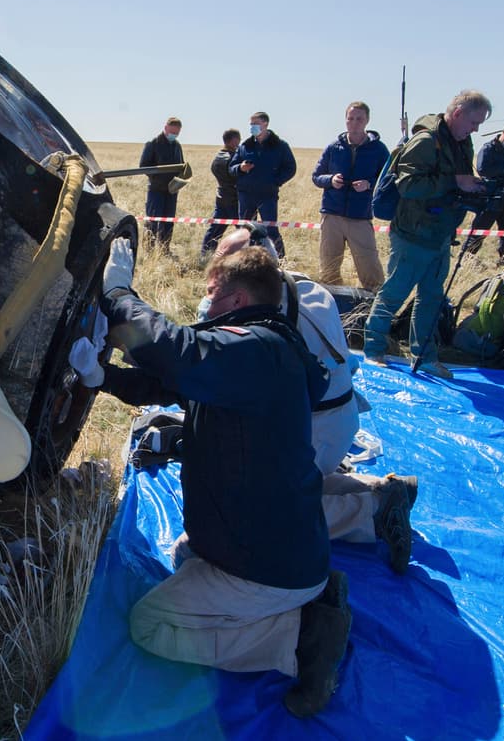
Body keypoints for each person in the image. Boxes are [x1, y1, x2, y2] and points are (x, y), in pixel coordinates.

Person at [73, 239, 350, 717]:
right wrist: (104, 378)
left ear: (237, 300)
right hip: (277, 548)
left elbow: (174, 353)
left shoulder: (256, 352)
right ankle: (302, 597)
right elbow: (167, 382)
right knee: (183, 556)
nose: (204, 302)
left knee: (150, 625)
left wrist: (117, 295)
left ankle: (301, 638)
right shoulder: (257, 356)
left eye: (211, 292)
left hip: (271, 567)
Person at [215, 227, 416, 575]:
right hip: (338, 419)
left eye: (224, 262)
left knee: (255, 511)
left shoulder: (262, 310)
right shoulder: (305, 286)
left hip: (316, 428)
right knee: (290, 476)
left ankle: (372, 515)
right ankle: (383, 491)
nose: (216, 270)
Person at [362, 90, 493, 379]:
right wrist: (454, 181)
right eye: (474, 122)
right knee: (394, 293)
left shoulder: (460, 143)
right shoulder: (425, 141)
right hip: (412, 234)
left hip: (440, 234)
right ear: (458, 113)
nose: (476, 129)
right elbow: (408, 186)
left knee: (432, 299)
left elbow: (454, 182)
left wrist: (473, 187)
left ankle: (424, 356)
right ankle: (373, 350)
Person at [311, 102, 390, 289]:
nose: (354, 123)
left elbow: (388, 180)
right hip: (332, 216)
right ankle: (332, 307)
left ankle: (374, 308)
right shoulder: (333, 147)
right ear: (345, 120)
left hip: (360, 217)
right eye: (350, 118)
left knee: (370, 269)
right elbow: (316, 176)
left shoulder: (378, 149)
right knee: (328, 269)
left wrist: (369, 185)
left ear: (367, 121)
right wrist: (330, 180)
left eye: (359, 119)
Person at [231, 112, 297, 258]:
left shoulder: (280, 146)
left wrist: (276, 181)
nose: (252, 127)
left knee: (271, 230)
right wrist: (240, 168)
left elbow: (290, 168)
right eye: (251, 125)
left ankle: (279, 261)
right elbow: (232, 167)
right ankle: (246, 259)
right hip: (246, 194)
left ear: (265, 124)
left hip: (268, 195)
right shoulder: (245, 146)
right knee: (245, 230)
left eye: (255, 124)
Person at [467, 121, 504, 263]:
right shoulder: (489, 149)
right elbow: (483, 169)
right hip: (491, 198)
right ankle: (468, 259)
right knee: (479, 230)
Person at [140, 117, 185, 251]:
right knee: (153, 221)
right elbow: (144, 166)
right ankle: (149, 249)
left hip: (171, 191)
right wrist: (159, 176)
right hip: (156, 190)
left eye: (177, 133)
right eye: (172, 132)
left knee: (168, 221)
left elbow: (181, 165)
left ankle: (165, 248)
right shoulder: (153, 144)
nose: (174, 135)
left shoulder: (177, 146)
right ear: (166, 128)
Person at [200, 128, 242, 259]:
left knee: (215, 230)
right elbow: (236, 176)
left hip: (221, 196)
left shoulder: (217, 157)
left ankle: (205, 255)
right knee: (245, 231)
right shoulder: (232, 158)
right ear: (233, 140)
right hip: (234, 199)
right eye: (238, 140)